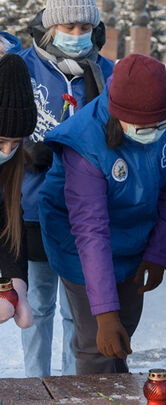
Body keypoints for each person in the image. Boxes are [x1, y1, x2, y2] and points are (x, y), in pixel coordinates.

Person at [38, 54, 166, 374]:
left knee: (123, 333)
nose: (153, 132)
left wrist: (158, 253)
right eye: (142, 127)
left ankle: (118, 403)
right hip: (79, 245)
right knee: (97, 343)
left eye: (159, 125)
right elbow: (91, 230)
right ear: (118, 116)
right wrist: (104, 313)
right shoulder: (85, 142)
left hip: (135, 236)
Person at [19, 0, 114, 377]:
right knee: (39, 302)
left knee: (78, 309)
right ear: (50, 27)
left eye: (83, 29)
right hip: (34, 204)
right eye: (68, 28)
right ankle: (36, 382)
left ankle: (72, 383)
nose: (77, 36)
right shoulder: (21, 68)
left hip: (86, 211)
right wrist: (25, 151)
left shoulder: (105, 72)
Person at [0, 54, 36, 329]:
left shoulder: (10, 166)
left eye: (16, 142)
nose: (7, 152)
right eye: (1, 141)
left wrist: (17, 283)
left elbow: (8, 223)